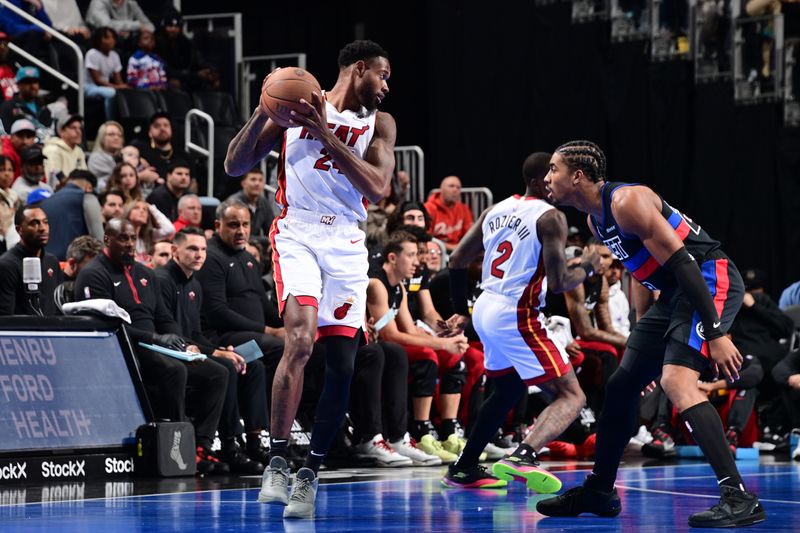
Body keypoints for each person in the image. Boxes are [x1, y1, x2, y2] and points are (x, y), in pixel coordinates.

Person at [536, 140, 764, 528]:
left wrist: (715, 332)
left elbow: (686, 264)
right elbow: (642, 271)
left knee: (677, 382)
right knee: (623, 385)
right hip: (674, 294)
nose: (546, 178)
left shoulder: (627, 202)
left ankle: (739, 497)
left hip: (708, 279)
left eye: (553, 169)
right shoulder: (596, 221)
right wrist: (645, 338)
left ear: (577, 175)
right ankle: (600, 491)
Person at [225, 40, 396, 519]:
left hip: (345, 241)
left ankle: (311, 472)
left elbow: (377, 188)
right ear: (359, 68)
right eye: (382, 75)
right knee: (299, 342)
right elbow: (234, 165)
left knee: (343, 361)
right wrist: (265, 113)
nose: (385, 86)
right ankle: (278, 459)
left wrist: (324, 132)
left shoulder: (378, 124)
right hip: (297, 230)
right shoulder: (297, 102)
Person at [438, 152, 599, 490]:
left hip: (485, 306)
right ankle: (522, 456)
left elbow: (455, 259)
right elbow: (558, 282)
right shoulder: (550, 216)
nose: (558, 181)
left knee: (509, 388)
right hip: (516, 311)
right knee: (572, 395)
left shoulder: (493, 209)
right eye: (554, 174)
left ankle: (465, 466)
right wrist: (587, 265)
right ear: (540, 181)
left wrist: (461, 311)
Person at [74, 218, 229, 475]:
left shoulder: (145, 274)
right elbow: (103, 324)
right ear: (107, 240)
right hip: (121, 346)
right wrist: (157, 339)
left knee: (218, 372)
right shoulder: (93, 274)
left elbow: (164, 318)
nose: (129, 244)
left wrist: (182, 343)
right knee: (174, 370)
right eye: (122, 239)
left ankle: (201, 446)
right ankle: (177, 446)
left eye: (132, 238)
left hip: (155, 343)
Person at [156, 227, 269, 474]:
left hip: (196, 346)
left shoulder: (194, 283)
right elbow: (173, 331)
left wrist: (218, 348)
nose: (199, 254)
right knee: (226, 367)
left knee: (254, 363)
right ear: (175, 251)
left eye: (203, 249)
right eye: (193, 249)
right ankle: (224, 444)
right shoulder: (162, 280)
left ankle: (253, 441)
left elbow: (196, 333)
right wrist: (218, 354)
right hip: (174, 352)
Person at [366, 230, 468, 464]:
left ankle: (444, 432)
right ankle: (415, 433)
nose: (417, 261)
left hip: (386, 346)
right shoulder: (376, 284)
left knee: (446, 357)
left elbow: (409, 331)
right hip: (371, 346)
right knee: (419, 355)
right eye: (411, 255)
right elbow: (391, 335)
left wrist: (449, 337)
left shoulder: (399, 287)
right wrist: (443, 343)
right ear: (393, 258)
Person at [0, 205, 62, 315]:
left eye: (45, 222)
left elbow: (58, 306)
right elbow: (5, 316)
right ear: (19, 230)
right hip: (22, 331)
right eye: (34, 223)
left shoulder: (52, 261)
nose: (43, 228)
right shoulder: (6, 265)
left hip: (52, 331)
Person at [40, 169, 103, 260]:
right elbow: (98, 237)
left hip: (48, 263)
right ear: (89, 187)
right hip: (75, 263)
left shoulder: (46, 201)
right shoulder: (87, 197)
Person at [85, 27, 128, 120]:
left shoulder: (115, 55)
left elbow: (118, 80)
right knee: (111, 93)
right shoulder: (92, 54)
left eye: (113, 37)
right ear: (99, 40)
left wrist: (124, 88)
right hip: (89, 87)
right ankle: (110, 121)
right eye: (107, 37)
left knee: (126, 92)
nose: (111, 40)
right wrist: (117, 87)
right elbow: (97, 81)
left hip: (106, 86)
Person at [225, 166, 276, 244]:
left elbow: (272, 230)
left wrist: (272, 243)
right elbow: (235, 235)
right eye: (253, 179)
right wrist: (266, 240)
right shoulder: (234, 203)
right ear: (243, 183)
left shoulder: (264, 202)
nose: (257, 183)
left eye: (260, 180)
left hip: (255, 244)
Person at [134, 112, 191, 179]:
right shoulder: (140, 150)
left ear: (171, 130)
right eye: (157, 126)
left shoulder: (183, 155)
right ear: (149, 133)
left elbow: (193, 183)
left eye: (166, 125)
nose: (162, 129)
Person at [424, 175, 473, 251]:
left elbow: (469, 235)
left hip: (458, 250)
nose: (455, 190)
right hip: (435, 249)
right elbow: (426, 237)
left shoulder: (463, 208)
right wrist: (450, 247)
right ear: (441, 189)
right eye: (451, 186)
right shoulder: (428, 208)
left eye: (458, 187)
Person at [0, 67, 52, 135]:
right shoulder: (7, 107)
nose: (32, 86)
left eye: (35, 82)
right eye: (27, 82)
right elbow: (6, 135)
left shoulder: (43, 106)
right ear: (18, 85)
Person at [123, 199, 174, 263]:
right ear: (128, 212)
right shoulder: (121, 235)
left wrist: (152, 208)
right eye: (136, 208)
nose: (141, 211)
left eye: (145, 209)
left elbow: (170, 230)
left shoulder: (148, 236)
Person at [42, 114, 88, 185]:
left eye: (80, 128)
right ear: (61, 132)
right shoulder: (52, 150)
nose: (79, 132)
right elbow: (53, 182)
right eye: (73, 128)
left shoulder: (79, 151)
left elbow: (86, 176)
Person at [85, 0, 154, 38]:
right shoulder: (98, 2)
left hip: (129, 43)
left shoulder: (131, 3)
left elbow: (150, 27)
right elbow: (106, 25)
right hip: (103, 45)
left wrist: (144, 32)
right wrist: (136, 26)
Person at [88, 120, 125, 190]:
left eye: (120, 135)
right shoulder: (96, 157)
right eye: (111, 134)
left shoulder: (123, 156)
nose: (116, 138)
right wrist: (140, 176)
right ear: (102, 138)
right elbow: (115, 180)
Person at [0, 154, 19, 253]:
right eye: (2, 170)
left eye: (10, 170)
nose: (6, 174)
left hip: (11, 241)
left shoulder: (14, 195)